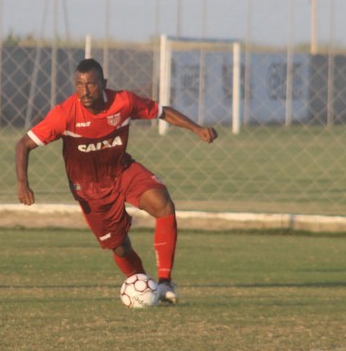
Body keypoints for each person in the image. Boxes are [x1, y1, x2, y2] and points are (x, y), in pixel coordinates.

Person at [15, 58, 217, 304]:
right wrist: (23, 184)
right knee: (120, 246)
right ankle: (143, 285)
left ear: (103, 84)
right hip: (90, 190)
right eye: (79, 84)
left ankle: (164, 283)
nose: (84, 91)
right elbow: (23, 144)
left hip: (122, 171)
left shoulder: (123, 102)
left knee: (164, 205)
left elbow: (162, 112)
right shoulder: (65, 114)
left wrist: (197, 129)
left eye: (91, 84)